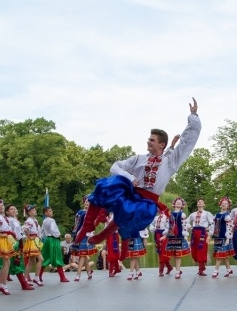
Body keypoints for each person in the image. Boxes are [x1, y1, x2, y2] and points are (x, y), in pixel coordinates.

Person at [75, 99, 201, 244]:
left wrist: (193, 116)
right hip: (132, 194)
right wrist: (129, 177)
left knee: (130, 211)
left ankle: (106, 233)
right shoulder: (138, 159)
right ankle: (87, 225)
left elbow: (187, 142)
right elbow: (115, 167)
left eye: (152, 140)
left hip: (146, 203)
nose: (148, 141)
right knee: (108, 185)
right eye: (149, 138)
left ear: (162, 145)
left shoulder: (169, 162)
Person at [40, 206, 69, 282]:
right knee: (58, 258)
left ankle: (39, 276)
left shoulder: (44, 221)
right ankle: (62, 277)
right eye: (49, 211)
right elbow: (53, 229)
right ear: (45, 213)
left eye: (51, 210)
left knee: (44, 257)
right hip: (54, 240)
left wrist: (40, 238)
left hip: (47, 240)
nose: (51, 212)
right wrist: (58, 234)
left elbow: (42, 231)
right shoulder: (52, 220)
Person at [187, 199, 213, 276]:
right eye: (198, 202)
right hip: (195, 232)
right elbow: (186, 221)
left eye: (201, 202)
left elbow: (213, 223)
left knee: (202, 249)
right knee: (194, 249)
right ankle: (201, 266)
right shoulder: (193, 214)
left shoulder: (207, 213)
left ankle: (201, 269)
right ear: (197, 204)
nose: (200, 203)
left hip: (202, 232)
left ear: (204, 204)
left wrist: (209, 231)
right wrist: (190, 227)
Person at [165, 197, 190, 279]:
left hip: (179, 235)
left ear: (182, 205)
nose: (178, 203)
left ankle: (177, 271)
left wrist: (185, 235)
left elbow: (184, 225)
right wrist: (165, 233)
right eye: (177, 202)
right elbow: (167, 225)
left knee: (178, 255)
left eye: (180, 202)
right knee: (174, 254)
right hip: (171, 236)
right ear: (174, 204)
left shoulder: (182, 214)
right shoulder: (170, 214)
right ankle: (177, 269)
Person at [72, 198, 96, 281]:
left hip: (86, 235)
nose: (86, 203)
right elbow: (76, 224)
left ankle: (78, 274)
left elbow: (92, 225)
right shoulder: (79, 212)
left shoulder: (91, 213)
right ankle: (89, 271)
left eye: (88, 202)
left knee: (82, 254)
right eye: (85, 201)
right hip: (79, 234)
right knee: (83, 254)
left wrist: (91, 235)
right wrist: (75, 234)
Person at [211, 196, 235, 278]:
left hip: (224, 237)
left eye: (226, 204)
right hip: (217, 236)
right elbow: (213, 225)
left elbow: (229, 226)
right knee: (224, 255)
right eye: (223, 203)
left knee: (220, 254)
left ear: (228, 206)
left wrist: (228, 237)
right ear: (220, 205)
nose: (224, 204)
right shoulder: (216, 214)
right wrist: (211, 233)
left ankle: (216, 270)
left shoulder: (227, 215)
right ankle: (229, 269)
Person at [21, 204, 44, 286]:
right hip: (32, 241)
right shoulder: (29, 221)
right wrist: (29, 237)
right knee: (40, 259)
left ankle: (26, 278)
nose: (35, 211)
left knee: (31, 261)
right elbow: (25, 229)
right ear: (29, 213)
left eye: (35, 209)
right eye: (33, 210)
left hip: (35, 241)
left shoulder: (35, 220)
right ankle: (36, 278)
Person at [149, 209, 172, 276]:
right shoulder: (156, 217)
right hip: (157, 234)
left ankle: (161, 271)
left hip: (163, 234)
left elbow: (169, 226)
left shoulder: (167, 217)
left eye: (161, 209)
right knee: (159, 251)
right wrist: (152, 228)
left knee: (163, 251)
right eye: (159, 209)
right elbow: (151, 224)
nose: (160, 211)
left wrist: (165, 234)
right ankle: (169, 267)